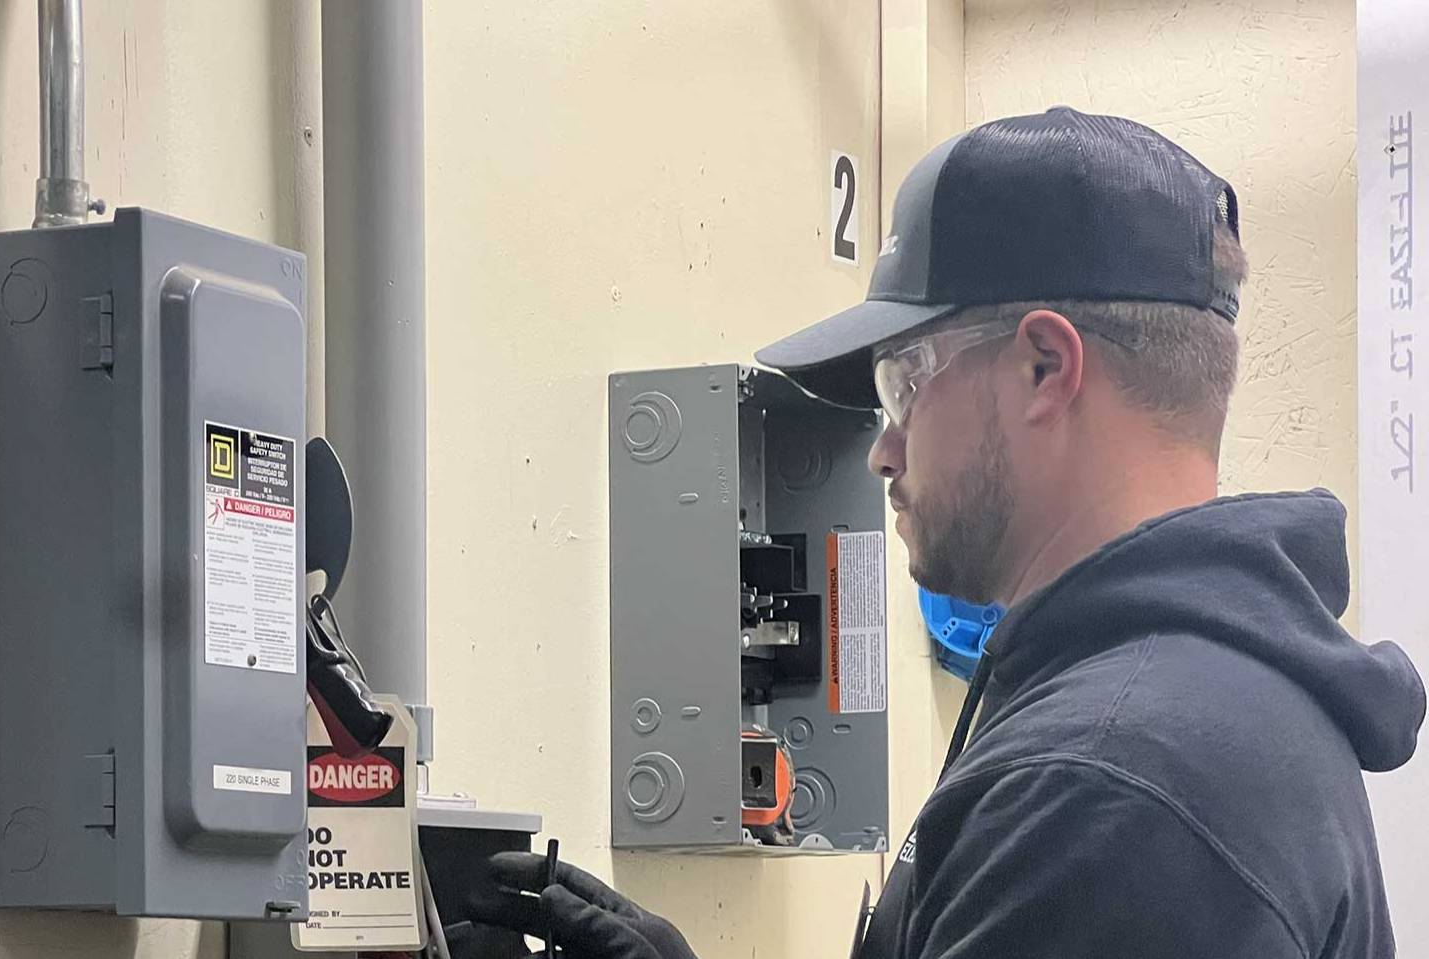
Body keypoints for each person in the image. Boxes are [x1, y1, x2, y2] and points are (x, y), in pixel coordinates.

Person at [463, 107, 1426, 958]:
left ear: (1044, 366)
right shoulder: (1172, 705)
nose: (883, 449)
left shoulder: (1107, 787)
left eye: (902, 381)